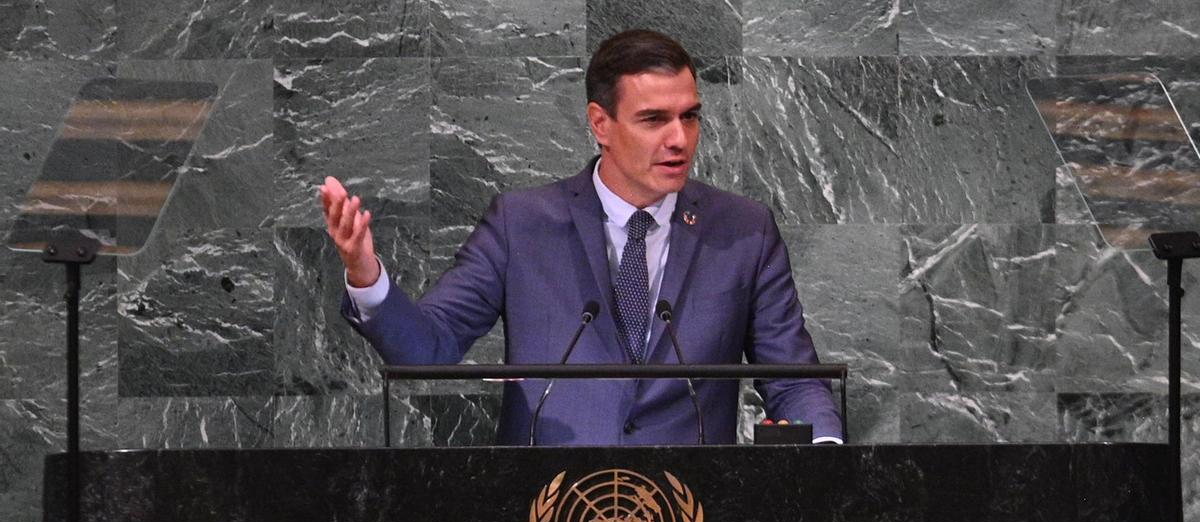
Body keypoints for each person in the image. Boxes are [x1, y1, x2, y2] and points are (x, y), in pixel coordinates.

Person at [319, 29, 843, 446]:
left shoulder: (743, 231)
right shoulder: (520, 225)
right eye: (654, 119)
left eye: (690, 117)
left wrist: (823, 451)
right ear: (601, 123)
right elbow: (428, 351)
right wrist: (366, 275)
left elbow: (794, 379)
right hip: (547, 518)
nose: (679, 139)